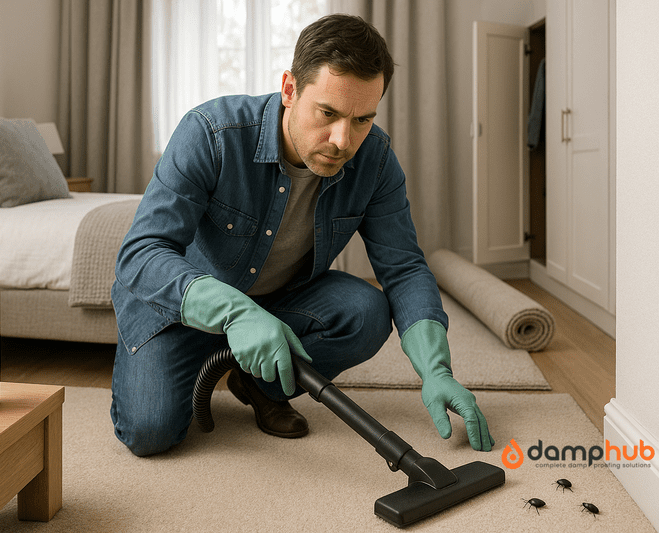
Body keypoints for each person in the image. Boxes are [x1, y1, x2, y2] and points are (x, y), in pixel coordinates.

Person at [110, 13, 494, 457]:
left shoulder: (375, 159)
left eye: (362, 119)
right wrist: (235, 314)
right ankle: (205, 358)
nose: (342, 140)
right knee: (150, 432)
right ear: (290, 89)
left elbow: (403, 267)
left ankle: (258, 384)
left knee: (366, 311)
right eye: (328, 113)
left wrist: (436, 370)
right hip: (176, 310)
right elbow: (140, 254)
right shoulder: (211, 133)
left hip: (277, 303)